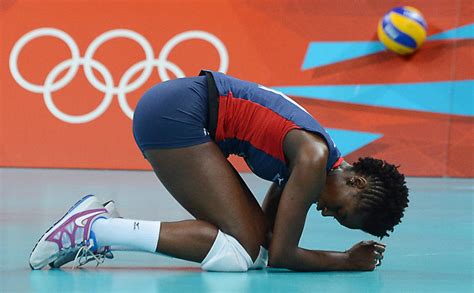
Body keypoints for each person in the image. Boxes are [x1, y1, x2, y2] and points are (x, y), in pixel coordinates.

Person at [29, 70, 409, 272]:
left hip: (180, 110)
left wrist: (269, 244)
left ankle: (102, 226)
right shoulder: (312, 158)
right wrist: (346, 261)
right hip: (177, 115)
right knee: (241, 252)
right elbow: (282, 256)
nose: (326, 213)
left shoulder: (317, 158)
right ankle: (94, 229)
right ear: (356, 180)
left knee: (249, 248)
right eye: (340, 210)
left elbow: (271, 239)